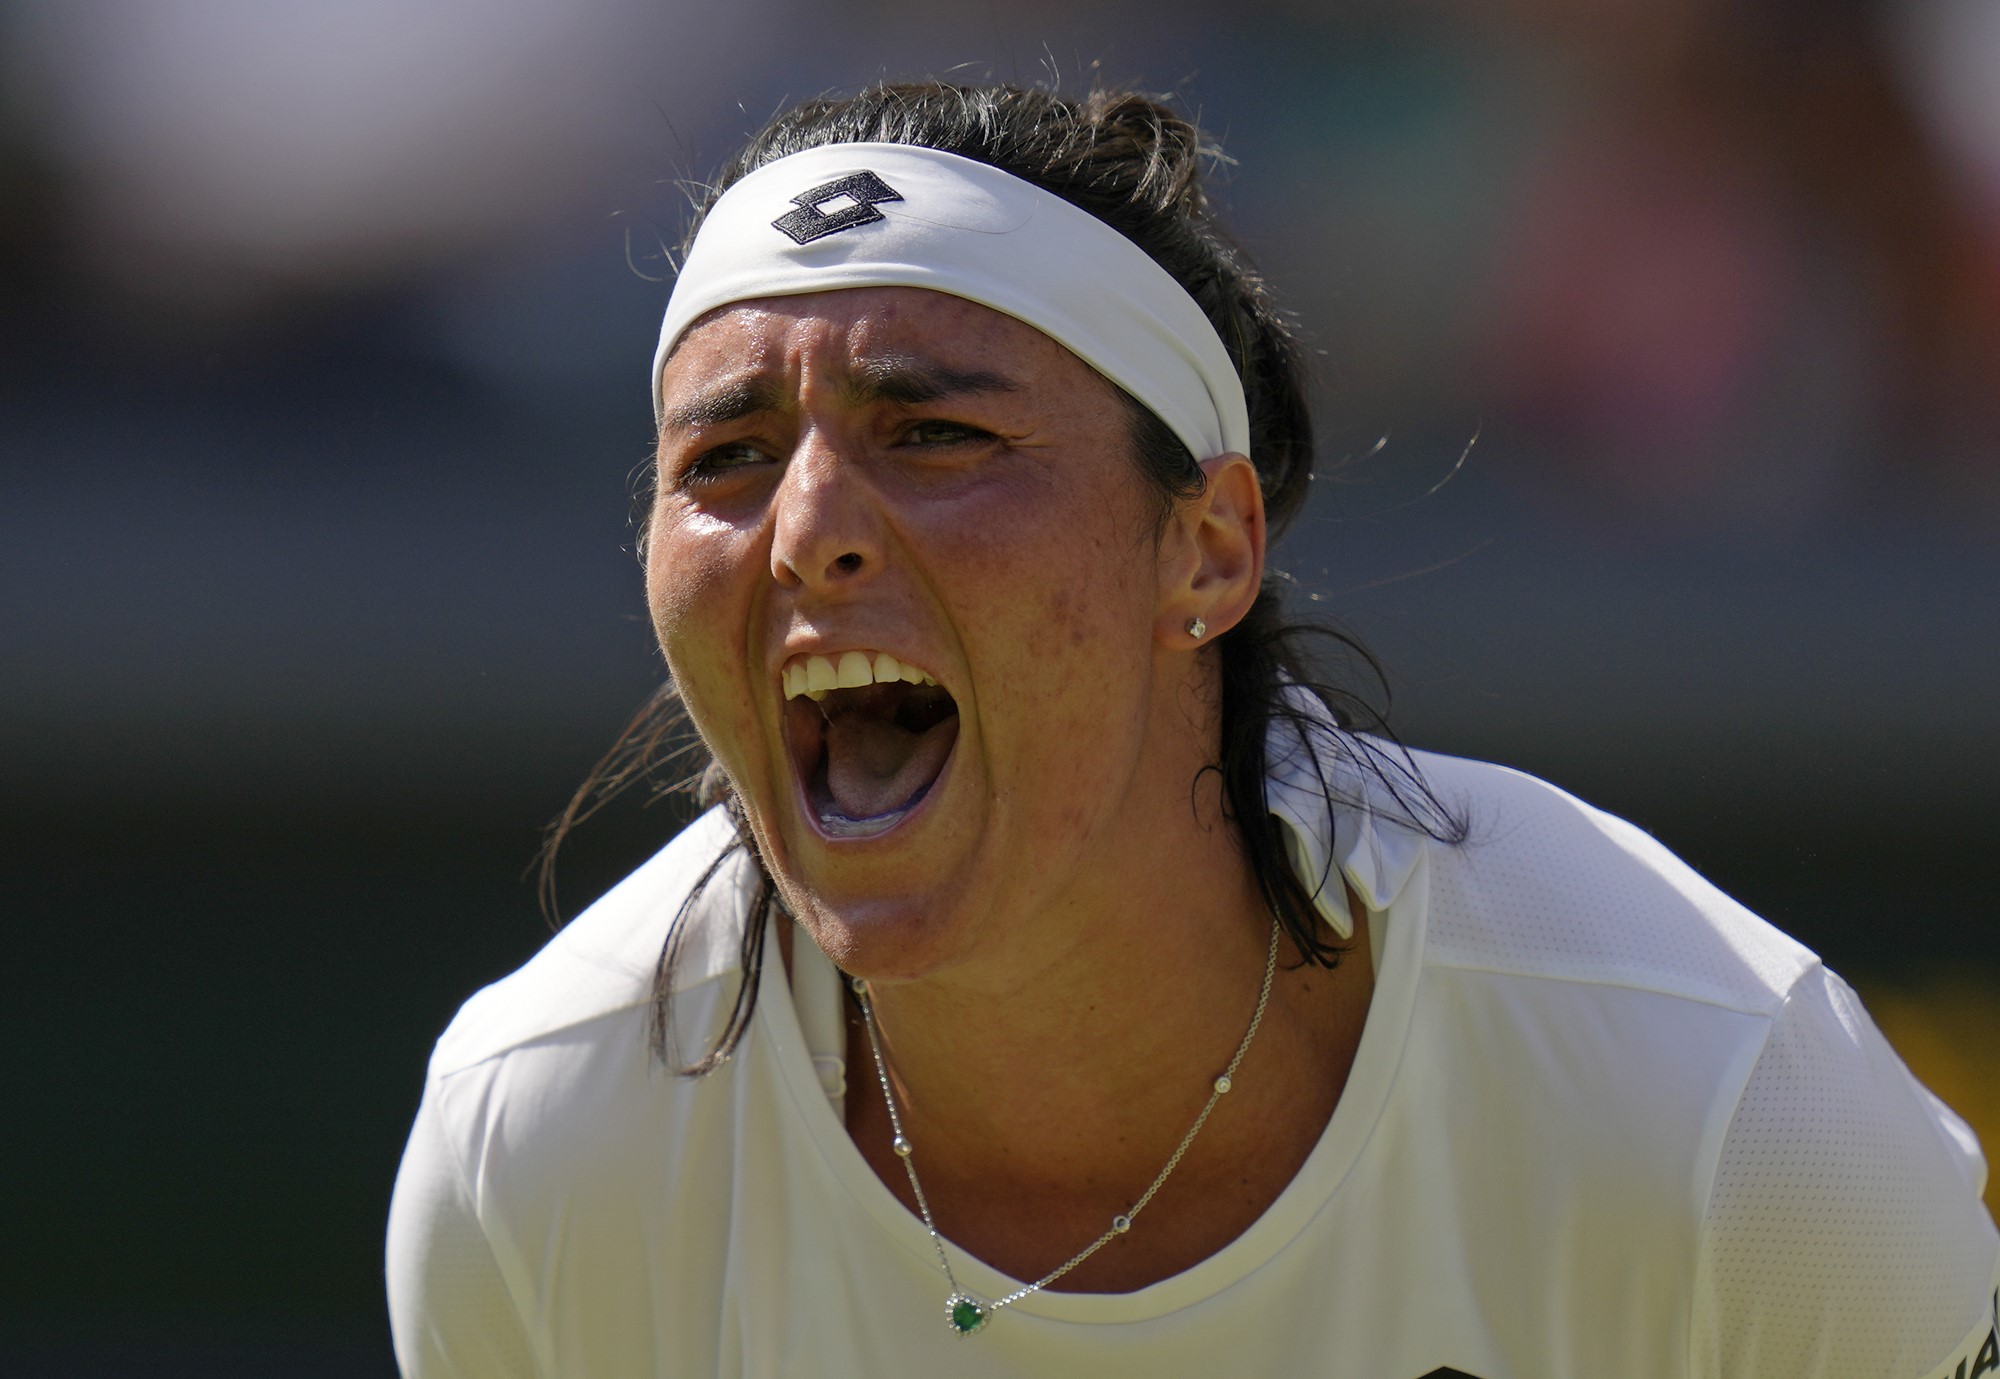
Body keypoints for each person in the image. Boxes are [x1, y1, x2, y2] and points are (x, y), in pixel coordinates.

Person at [385, 81, 1999, 1378]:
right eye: (722, 461)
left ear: (1209, 547)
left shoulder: (1729, 1103)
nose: (806, 528)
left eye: (937, 433)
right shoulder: (538, 1146)